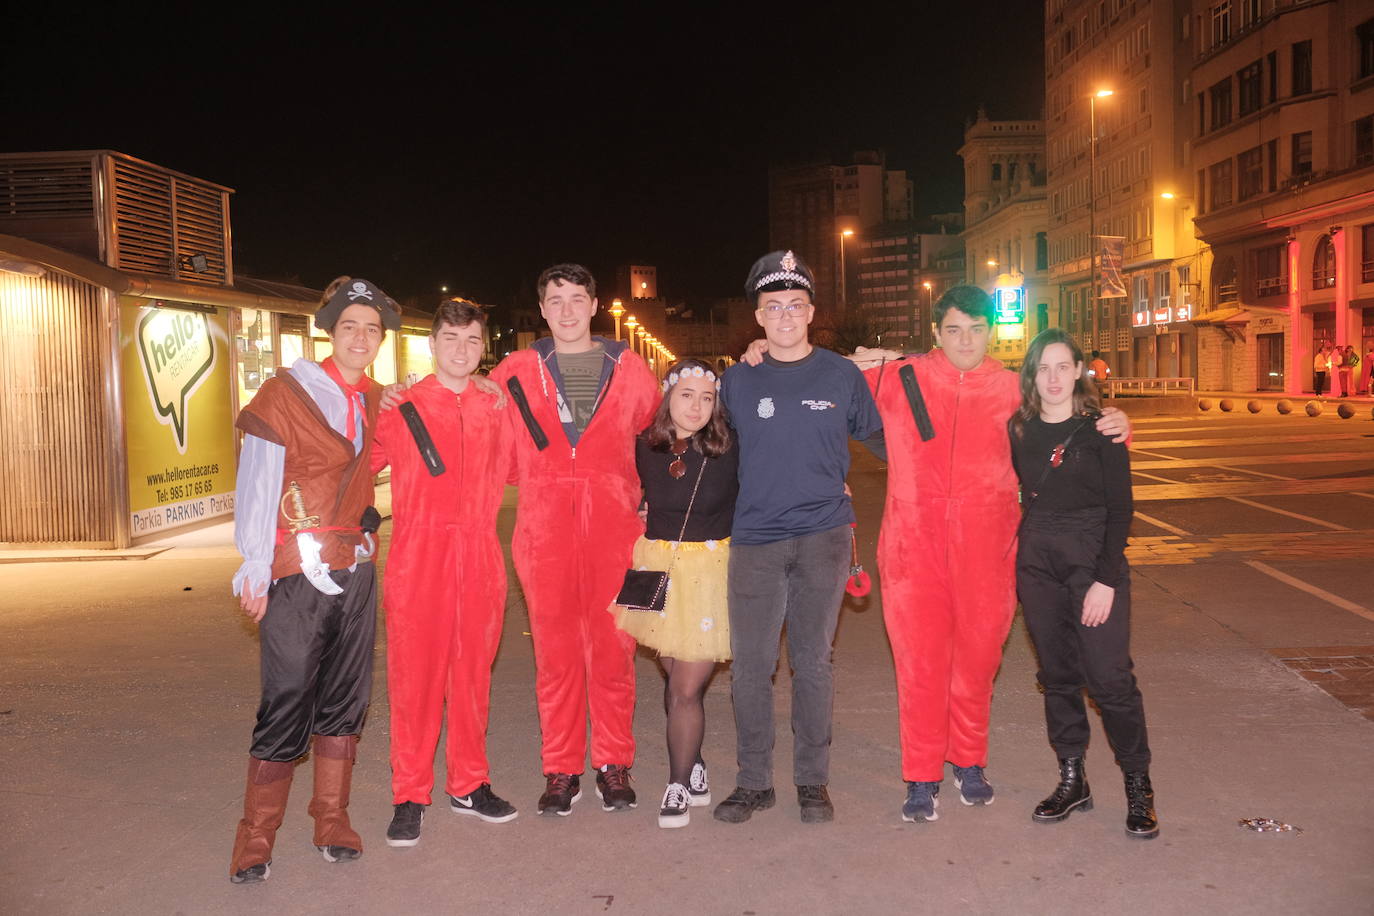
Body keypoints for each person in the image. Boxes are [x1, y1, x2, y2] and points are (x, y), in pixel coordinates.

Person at [844, 286, 1129, 825]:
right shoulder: (897, 378)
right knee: (921, 664)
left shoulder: (1012, 391)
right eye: (953, 330)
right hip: (913, 548)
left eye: (976, 330)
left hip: (990, 548)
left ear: (991, 332)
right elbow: (818, 383)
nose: (965, 341)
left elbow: (1073, 422)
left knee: (978, 662)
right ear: (935, 332)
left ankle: (968, 761)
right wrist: (762, 352)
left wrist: (1119, 425)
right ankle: (922, 773)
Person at [228, 276, 399, 883]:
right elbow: (256, 479)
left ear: (381, 339)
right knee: (287, 696)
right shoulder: (286, 392)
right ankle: (256, 835)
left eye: (372, 329)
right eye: (350, 325)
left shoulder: (376, 397)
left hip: (356, 568)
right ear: (330, 330)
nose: (360, 337)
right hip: (296, 571)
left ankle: (331, 819)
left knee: (346, 696)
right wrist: (253, 562)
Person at [713, 250, 882, 826]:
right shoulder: (736, 381)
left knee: (813, 663)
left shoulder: (841, 376)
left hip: (823, 538)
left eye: (795, 305)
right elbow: (697, 441)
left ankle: (813, 781)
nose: (785, 315)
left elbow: (894, 438)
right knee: (751, 667)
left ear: (812, 312)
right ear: (758, 318)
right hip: (755, 539)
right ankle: (753, 782)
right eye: (773, 307)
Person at [489, 264, 660, 816]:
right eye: (555, 299)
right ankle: (561, 768)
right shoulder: (514, 371)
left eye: (577, 298)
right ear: (542, 310)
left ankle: (614, 763)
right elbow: (479, 428)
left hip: (620, 535)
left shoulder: (631, 368)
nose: (566, 309)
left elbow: (661, 437)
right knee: (557, 656)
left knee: (617, 649)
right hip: (544, 536)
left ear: (593, 306)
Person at [371, 298, 516, 847]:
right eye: (451, 339)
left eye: (473, 340)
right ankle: (409, 793)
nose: (461, 350)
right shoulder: (399, 405)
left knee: (473, 677)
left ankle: (468, 783)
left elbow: (537, 467)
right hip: (419, 557)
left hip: (480, 555)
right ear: (432, 344)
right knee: (414, 681)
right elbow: (356, 464)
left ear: (484, 348)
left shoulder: (495, 407)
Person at [1011, 327, 1158, 840]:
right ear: (1032, 375)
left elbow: (1122, 511)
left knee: (1110, 677)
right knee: (1058, 675)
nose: (1052, 378)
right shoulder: (1020, 429)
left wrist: (1104, 579)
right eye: (1042, 368)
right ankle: (1073, 779)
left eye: (1062, 366)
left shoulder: (1103, 430)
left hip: (1093, 561)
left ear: (1078, 370)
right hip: (1037, 565)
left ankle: (1138, 784)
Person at [614, 359, 738, 828]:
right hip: (654, 567)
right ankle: (697, 762)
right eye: (687, 395)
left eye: (707, 398)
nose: (696, 406)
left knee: (686, 689)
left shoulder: (732, 447)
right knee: (674, 680)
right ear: (668, 397)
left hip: (710, 571)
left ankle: (678, 785)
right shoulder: (645, 446)